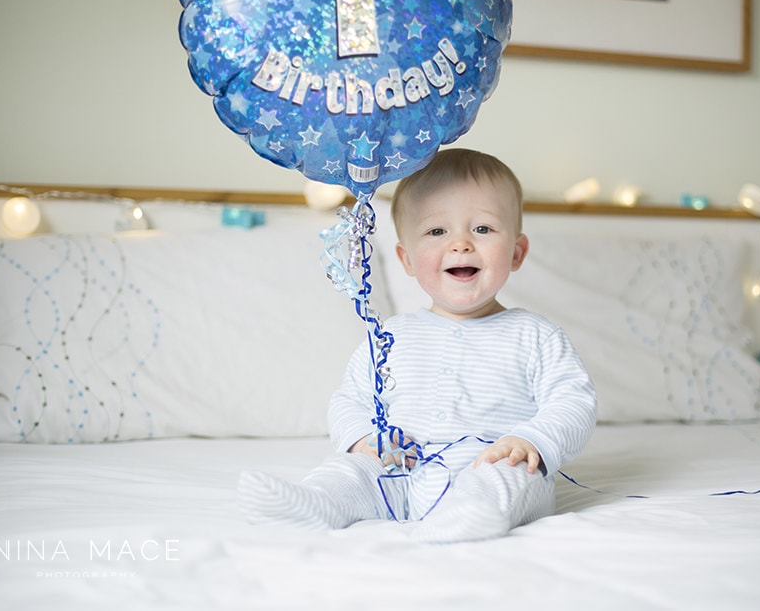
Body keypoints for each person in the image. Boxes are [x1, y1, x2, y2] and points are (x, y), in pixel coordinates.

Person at [238, 148, 596, 543]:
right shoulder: (392, 336)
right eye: (436, 232)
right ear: (407, 260)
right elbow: (349, 400)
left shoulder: (534, 334)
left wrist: (532, 441)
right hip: (400, 468)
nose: (460, 244)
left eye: (482, 229)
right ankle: (316, 502)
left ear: (516, 252)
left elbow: (573, 401)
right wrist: (364, 440)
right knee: (352, 471)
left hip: (492, 463)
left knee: (509, 479)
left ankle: (474, 513)